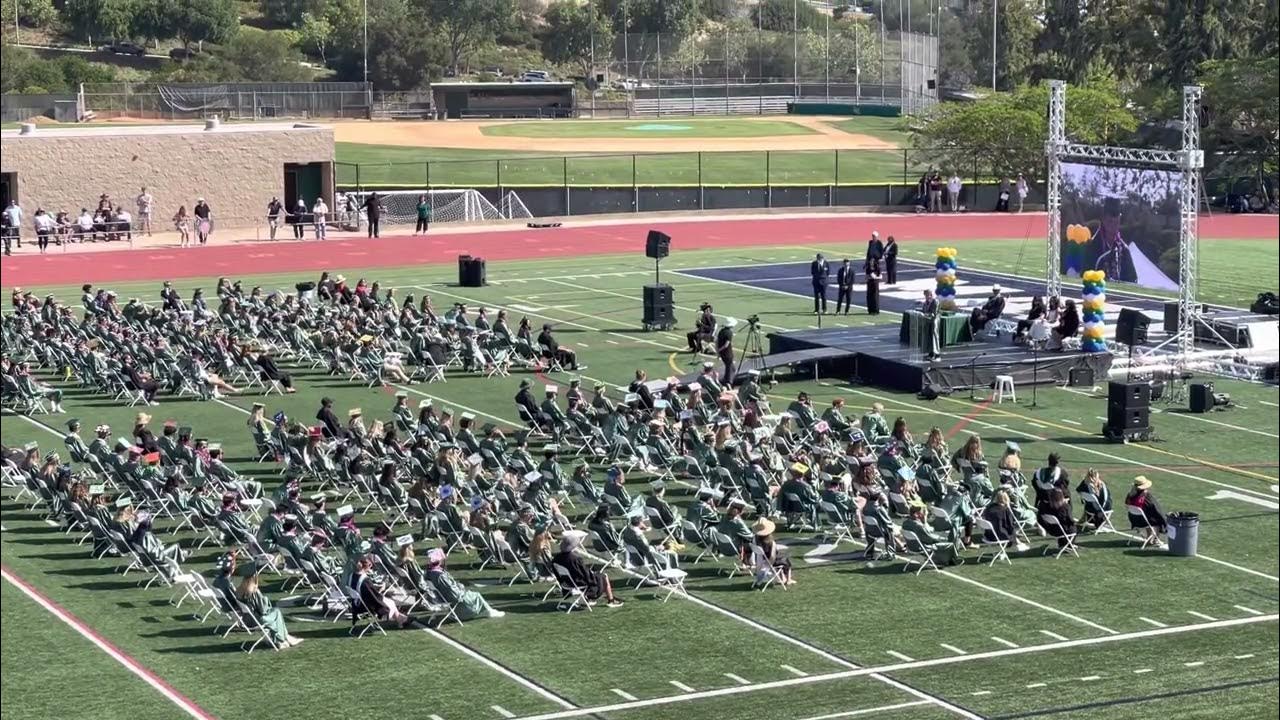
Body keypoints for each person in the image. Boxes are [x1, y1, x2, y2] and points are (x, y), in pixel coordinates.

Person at [423, 548, 505, 619]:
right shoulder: (440, 576)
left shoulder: (430, 572)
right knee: (477, 595)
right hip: (453, 598)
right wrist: (461, 591)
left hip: (444, 597)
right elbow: (454, 593)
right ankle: (490, 612)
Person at [551, 530, 623, 607]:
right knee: (603, 576)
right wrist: (593, 575)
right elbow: (585, 575)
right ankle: (611, 600)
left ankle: (589, 598)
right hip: (578, 582)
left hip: (567, 583)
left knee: (595, 574)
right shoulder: (575, 559)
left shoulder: (556, 559)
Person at [238, 571, 304, 647]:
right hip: (257, 620)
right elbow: (263, 610)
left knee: (274, 613)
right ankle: (280, 640)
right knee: (276, 612)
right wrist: (260, 594)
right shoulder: (252, 593)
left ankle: (287, 637)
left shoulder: (239, 591)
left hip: (246, 620)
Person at [1124, 476, 1167, 545]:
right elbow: (1157, 510)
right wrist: (1165, 521)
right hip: (1144, 521)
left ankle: (1149, 536)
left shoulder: (1130, 495)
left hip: (1133, 520)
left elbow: (1127, 505)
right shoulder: (1147, 497)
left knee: (1147, 516)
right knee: (1158, 519)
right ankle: (1156, 539)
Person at [751, 518, 794, 586]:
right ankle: (789, 579)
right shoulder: (771, 543)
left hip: (760, 560)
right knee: (786, 560)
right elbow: (772, 557)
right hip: (769, 561)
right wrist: (768, 566)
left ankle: (782, 577)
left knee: (780, 557)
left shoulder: (755, 539)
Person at [920, 289, 941, 361]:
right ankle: (931, 353)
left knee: (934, 337)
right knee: (929, 338)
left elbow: (934, 313)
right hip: (928, 322)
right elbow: (924, 310)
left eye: (927, 295)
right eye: (925, 295)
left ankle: (937, 355)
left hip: (934, 321)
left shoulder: (935, 301)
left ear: (930, 294)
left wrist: (925, 314)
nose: (926, 297)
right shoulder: (926, 302)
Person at [715, 318, 736, 386]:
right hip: (727, 353)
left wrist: (718, 351)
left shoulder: (721, 331)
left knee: (730, 367)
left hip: (723, 353)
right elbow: (726, 345)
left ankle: (728, 379)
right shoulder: (729, 333)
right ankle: (728, 382)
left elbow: (717, 341)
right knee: (729, 368)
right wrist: (720, 349)